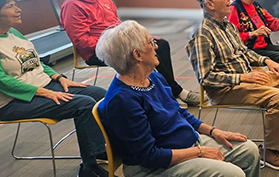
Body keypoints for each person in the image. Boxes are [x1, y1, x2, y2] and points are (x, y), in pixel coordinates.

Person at [0, 0, 108, 177]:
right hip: (11, 102)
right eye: (10, 6)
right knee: (84, 105)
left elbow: (36, 62)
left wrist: (59, 78)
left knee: (99, 94)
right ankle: (89, 168)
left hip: (42, 87)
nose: (18, 10)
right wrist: (44, 92)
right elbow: (0, 81)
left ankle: (98, 149)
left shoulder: (13, 33)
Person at [96, 21, 260, 177]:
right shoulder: (122, 100)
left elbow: (179, 113)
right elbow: (149, 157)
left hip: (186, 144)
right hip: (155, 167)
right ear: (137, 55)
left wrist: (214, 131)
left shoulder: (153, 77)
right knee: (233, 174)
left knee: (248, 150)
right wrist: (200, 152)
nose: (156, 47)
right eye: (150, 42)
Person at [188, 0, 279, 171]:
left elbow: (244, 52)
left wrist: (267, 61)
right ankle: (270, 150)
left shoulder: (228, 26)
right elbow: (205, 78)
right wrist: (243, 79)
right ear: (209, 4)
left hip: (246, 77)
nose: (230, 0)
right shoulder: (202, 35)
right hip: (225, 89)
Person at [61, 0, 200, 108]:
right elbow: (81, 41)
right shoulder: (72, 6)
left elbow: (120, 26)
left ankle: (168, 93)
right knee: (144, 52)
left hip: (118, 44)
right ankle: (174, 92)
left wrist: (142, 37)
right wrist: (120, 42)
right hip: (98, 52)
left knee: (160, 45)